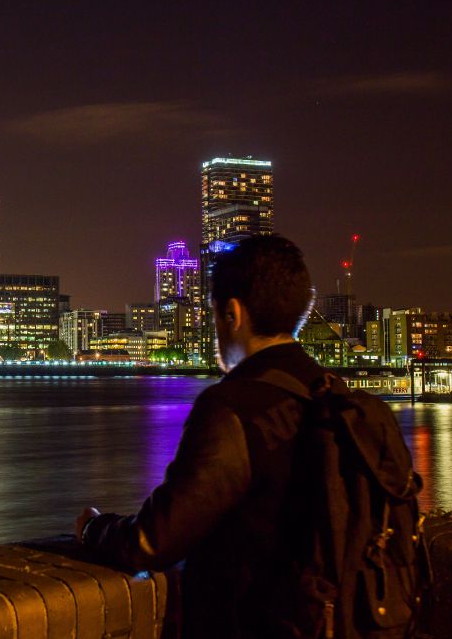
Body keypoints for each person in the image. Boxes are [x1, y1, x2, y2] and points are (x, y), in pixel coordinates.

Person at [76, 234, 381, 637]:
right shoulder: (344, 401)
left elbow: (154, 540)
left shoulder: (231, 408)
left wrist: (94, 528)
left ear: (232, 313)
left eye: (214, 315)